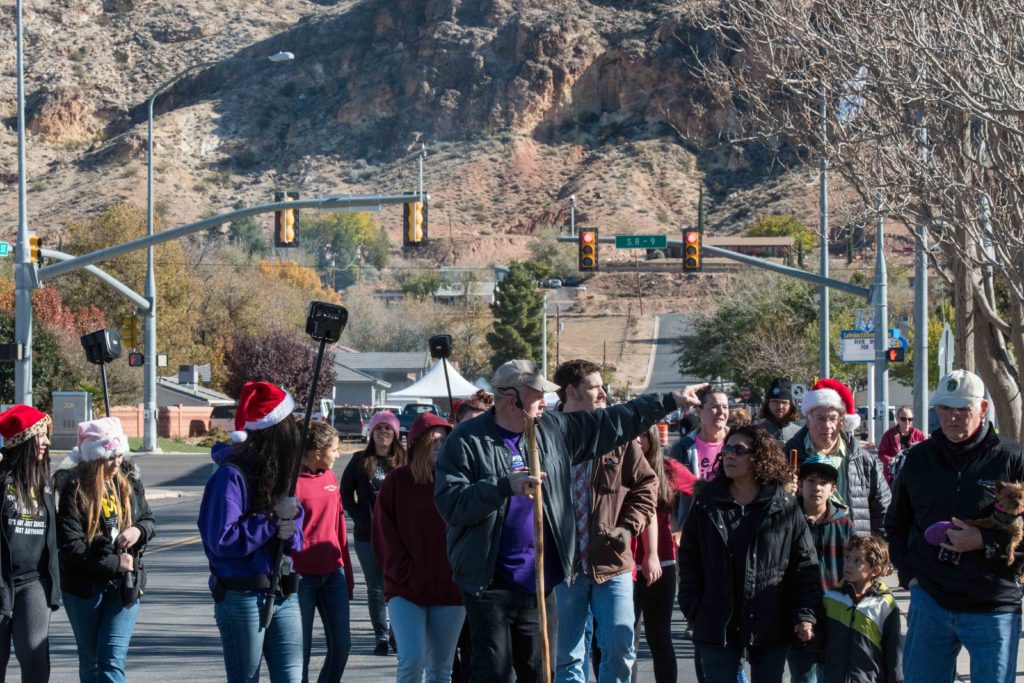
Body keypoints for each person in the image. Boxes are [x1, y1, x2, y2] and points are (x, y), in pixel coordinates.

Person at [434, 359, 705, 681]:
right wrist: (504, 486)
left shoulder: (552, 429)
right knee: (494, 671)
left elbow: (614, 422)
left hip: (542, 581)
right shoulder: (467, 440)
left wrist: (669, 401)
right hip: (488, 580)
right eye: (537, 396)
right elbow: (452, 504)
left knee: (541, 671)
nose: (544, 402)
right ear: (511, 398)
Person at [885, 369, 1024, 683]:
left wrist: (983, 539)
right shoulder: (918, 459)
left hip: (993, 605)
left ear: (982, 409)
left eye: (963, 409)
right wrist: (910, 578)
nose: (952, 418)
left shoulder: (1012, 459)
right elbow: (896, 523)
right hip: (930, 599)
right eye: (945, 408)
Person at [677, 424, 821, 683]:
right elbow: (689, 557)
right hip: (716, 622)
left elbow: (804, 566)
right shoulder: (707, 501)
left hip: (770, 623)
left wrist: (804, 614)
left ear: (760, 457)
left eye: (738, 450)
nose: (729, 455)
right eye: (727, 449)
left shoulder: (784, 506)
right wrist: (694, 606)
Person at [551, 359, 657, 683]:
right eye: (595, 387)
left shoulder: (616, 434)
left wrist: (628, 527)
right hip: (562, 565)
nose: (603, 393)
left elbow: (647, 483)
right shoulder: (544, 435)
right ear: (572, 392)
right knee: (567, 655)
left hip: (611, 561)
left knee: (619, 645)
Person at [198, 381, 305, 683]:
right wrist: (271, 521)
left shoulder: (281, 473)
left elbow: (297, 534)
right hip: (241, 596)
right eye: (289, 424)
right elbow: (223, 540)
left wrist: (290, 526)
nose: (295, 432)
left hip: (284, 591)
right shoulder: (230, 477)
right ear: (274, 432)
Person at [57, 417, 156, 683]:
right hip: (84, 588)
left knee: (111, 660)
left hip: (123, 585)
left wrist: (139, 531)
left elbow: (148, 519)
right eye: (109, 456)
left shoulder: (129, 481)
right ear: (94, 458)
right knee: (91, 663)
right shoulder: (73, 489)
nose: (116, 462)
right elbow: (71, 545)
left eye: (119, 454)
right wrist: (114, 563)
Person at [372, 413, 464, 683]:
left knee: (440, 669)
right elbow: (383, 536)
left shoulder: (457, 481)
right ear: (416, 444)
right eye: (433, 440)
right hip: (405, 588)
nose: (440, 446)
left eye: (445, 440)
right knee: (411, 661)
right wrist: (405, 573)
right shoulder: (397, 481)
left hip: (450, 588)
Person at [0, 406, 60, 683]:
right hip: (1, 584)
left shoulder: (44, 481)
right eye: (41, 435)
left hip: (33, 583)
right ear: (23, 440)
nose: (47, 442)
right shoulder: (2, 480)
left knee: (36, 662)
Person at [632, 423, 695, 683]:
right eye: (631, 433)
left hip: (663, 561)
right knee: (624, 639)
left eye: (643, 434)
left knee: (659, 635)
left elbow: (703, 492)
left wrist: (683, 529)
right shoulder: (616, 465)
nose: (637, 439)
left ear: (653, 438)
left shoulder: (668, 468)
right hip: (623, 564)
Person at [785, 378, 890, 535]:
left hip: (855, 551)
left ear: (842, 421)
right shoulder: (788, 456)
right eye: (820, 418)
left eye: (833, 418)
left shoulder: (861, 459)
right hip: (804, 549)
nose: (827, 425)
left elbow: (883, 507)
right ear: (807, 418)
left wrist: (872, 549)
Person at [339, 409, 405, 656]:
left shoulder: (404, 460)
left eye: (388, 428)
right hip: (367, 536)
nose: (383, 432)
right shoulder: (359, 460)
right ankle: (381, 637)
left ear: (395, 433)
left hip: (398, 536)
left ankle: (397, 634)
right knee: (376, 588)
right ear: (371, 432)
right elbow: (345, 493)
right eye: (379, 428)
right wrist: (360, 517)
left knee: (397, 585)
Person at [293, 421, 354, 683]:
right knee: (300, 653)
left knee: (342, 646)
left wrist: (346, 573)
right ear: (317, 452)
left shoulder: (329, 477)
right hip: (300, 578)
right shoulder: (290, 482)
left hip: (333, 574)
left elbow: (339, 528)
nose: (338, 454)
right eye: (335, 449)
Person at [786, 454, 855, 683]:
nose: (817, 487)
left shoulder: (843, 524)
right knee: (803, 677)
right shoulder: (787, 520)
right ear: (800, 484)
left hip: (835, 617)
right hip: (796, 615)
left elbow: (855, 571)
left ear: (833, 488)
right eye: (811, 481)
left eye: (823, 483)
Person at [447, 389, 493, 683]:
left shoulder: (503, 462)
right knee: (453, 657)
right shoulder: (449, 467)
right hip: (453, 574)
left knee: (484, 656)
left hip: (490, 577)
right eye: (467, 425)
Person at [821, 535, 903, 683]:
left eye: (857, 560)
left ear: (875, 570)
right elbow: (821, 643)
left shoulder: (885, 604)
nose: (848, 564)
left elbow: (894, 652)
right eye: (847, 557)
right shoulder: (832, 598)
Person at [669, 386, 730, 482]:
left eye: (725, 407)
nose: (721, 412)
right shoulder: (682, 449)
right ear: (699, 411)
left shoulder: (738, 443)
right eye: (714, 407)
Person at [876, 406, 925, 483]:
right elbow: (882, 453)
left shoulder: (919, 434)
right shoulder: (889, 434)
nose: (907, 422)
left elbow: (927, 451)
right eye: (903, 419)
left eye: (910, 419)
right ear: (897, 419)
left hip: (914, 476)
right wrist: (890, 460)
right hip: (894, 476)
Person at [756, 378, 801, 443]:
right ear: (767, 404)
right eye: (775, 401)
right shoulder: (756, 432)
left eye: (784, 402)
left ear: (791, 406)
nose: (780, 406)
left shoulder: (800, 433)